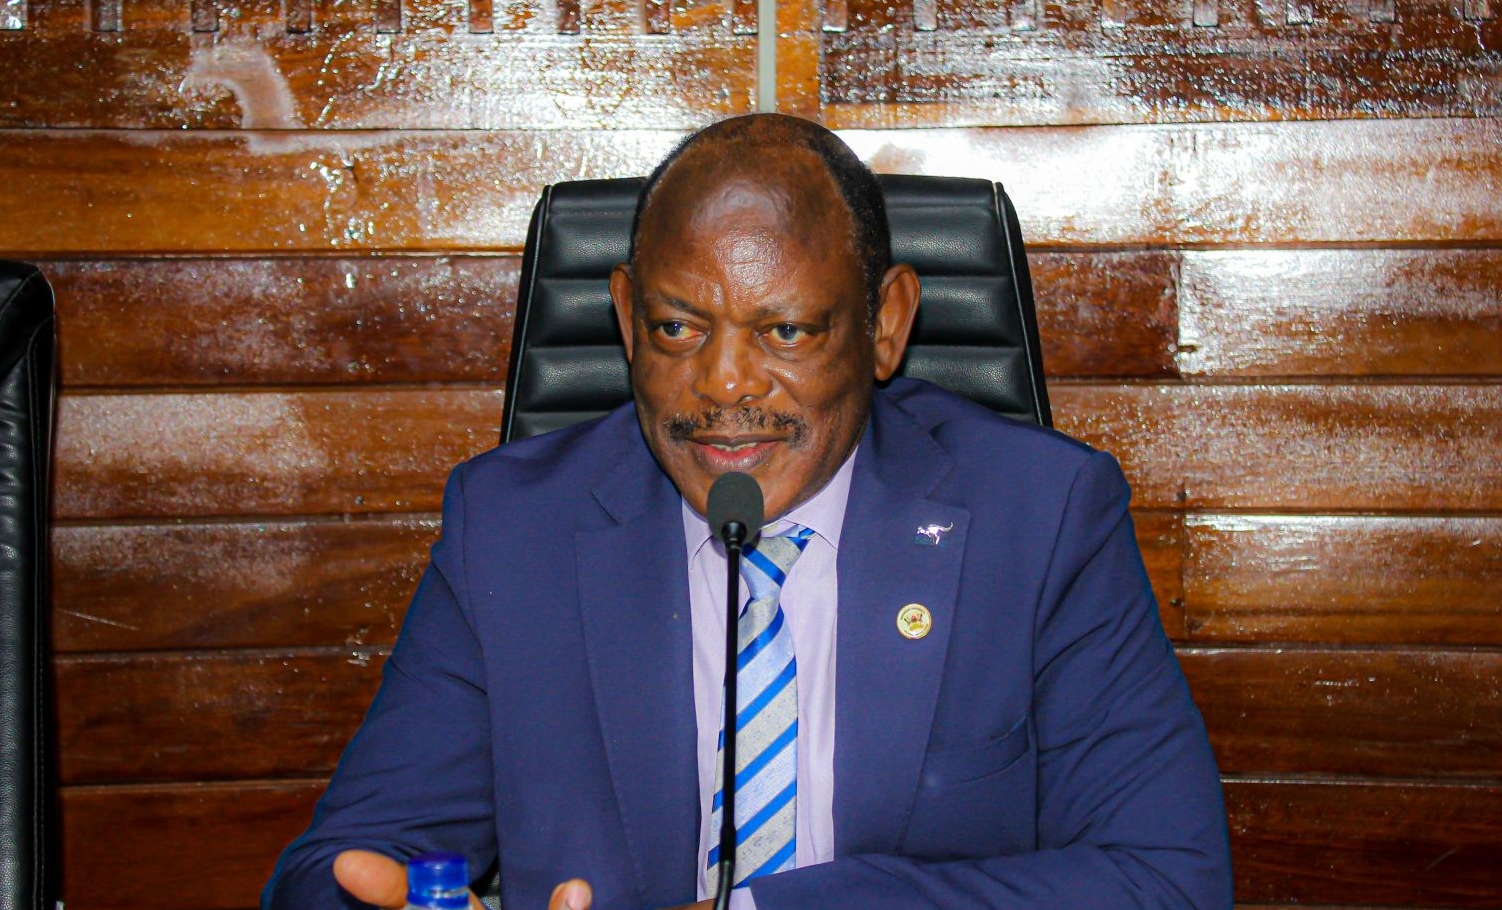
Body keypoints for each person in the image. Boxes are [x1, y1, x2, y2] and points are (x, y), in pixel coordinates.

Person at [264, 113, 1232, 910]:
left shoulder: (1043, 519)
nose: (723, 382)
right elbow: (337, 869)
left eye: (786, 329)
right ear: (624, 317)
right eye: (677, 327)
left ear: (886, 323)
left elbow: (1168, 880)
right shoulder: (513, 533)